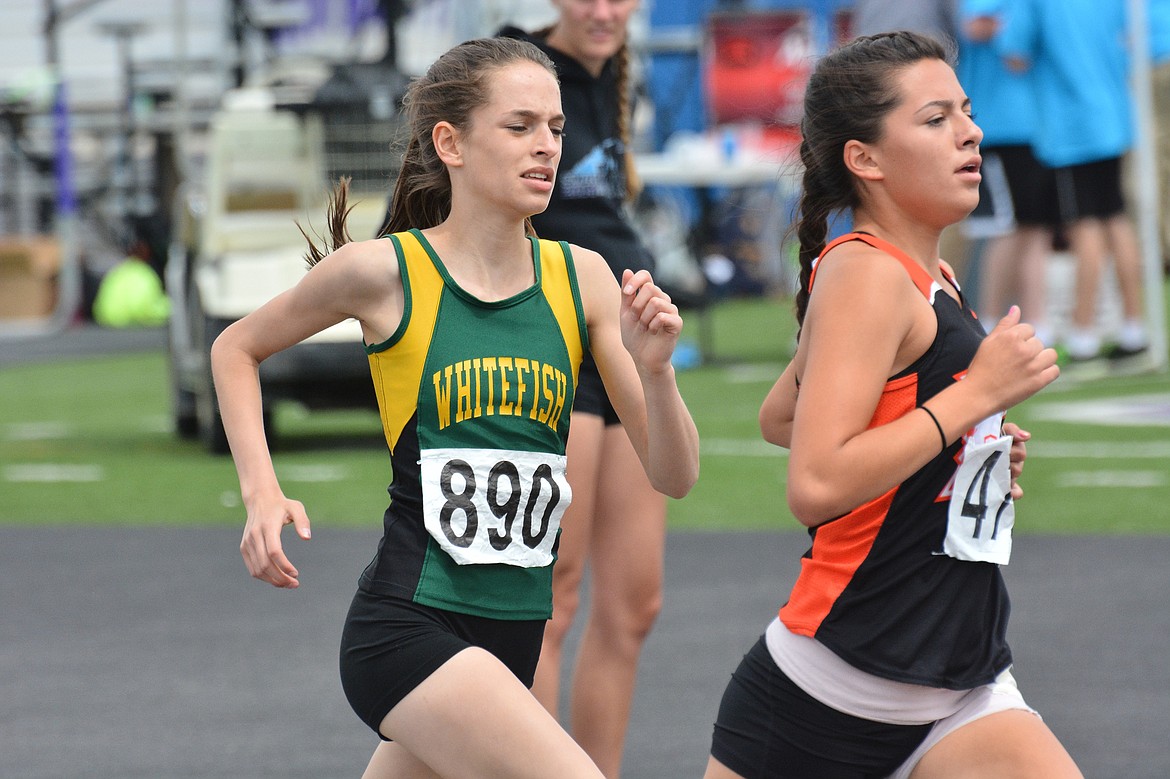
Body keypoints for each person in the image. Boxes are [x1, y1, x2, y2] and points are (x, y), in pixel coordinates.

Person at [210, 36, 699, 779]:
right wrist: (261, 492)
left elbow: (674, 473)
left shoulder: (585, 278)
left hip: (512, 638)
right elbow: (235, 348)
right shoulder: (386, 272)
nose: (546, 148)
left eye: (557, 129)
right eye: (520, 126)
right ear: (451, 142)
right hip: (408, 624)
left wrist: (656, 370)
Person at [703, 31, 1080, 778]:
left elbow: (783, 415)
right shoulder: (866, 276)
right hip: (828, 697)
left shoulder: (929, 271)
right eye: (936, 119)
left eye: (966, 113)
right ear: (864, 158)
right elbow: (814, 480)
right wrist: (973, 397)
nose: (970, 132)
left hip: (958, 687)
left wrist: (968, 440)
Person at [498, 3, 665, 776]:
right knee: (551, 599)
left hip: (624, 341)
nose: (604, 11)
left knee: (634, 605)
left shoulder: (609, 79)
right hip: (553, 342)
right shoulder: (519, 64)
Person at [999, 0, 1149, 361]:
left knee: (1087, 225)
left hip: (1072, 125)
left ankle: (1085, 336)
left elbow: (1014, 54)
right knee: (1115, 218)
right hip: (1114, 114)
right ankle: (1133, 327)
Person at [956, 0, 1056, 344]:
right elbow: (976, 29)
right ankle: (984, 321)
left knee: (1035, 229)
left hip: (1035, 130)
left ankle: (1036, 322)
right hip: (999, 129)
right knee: (1005, 230)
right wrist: (1021, 28)